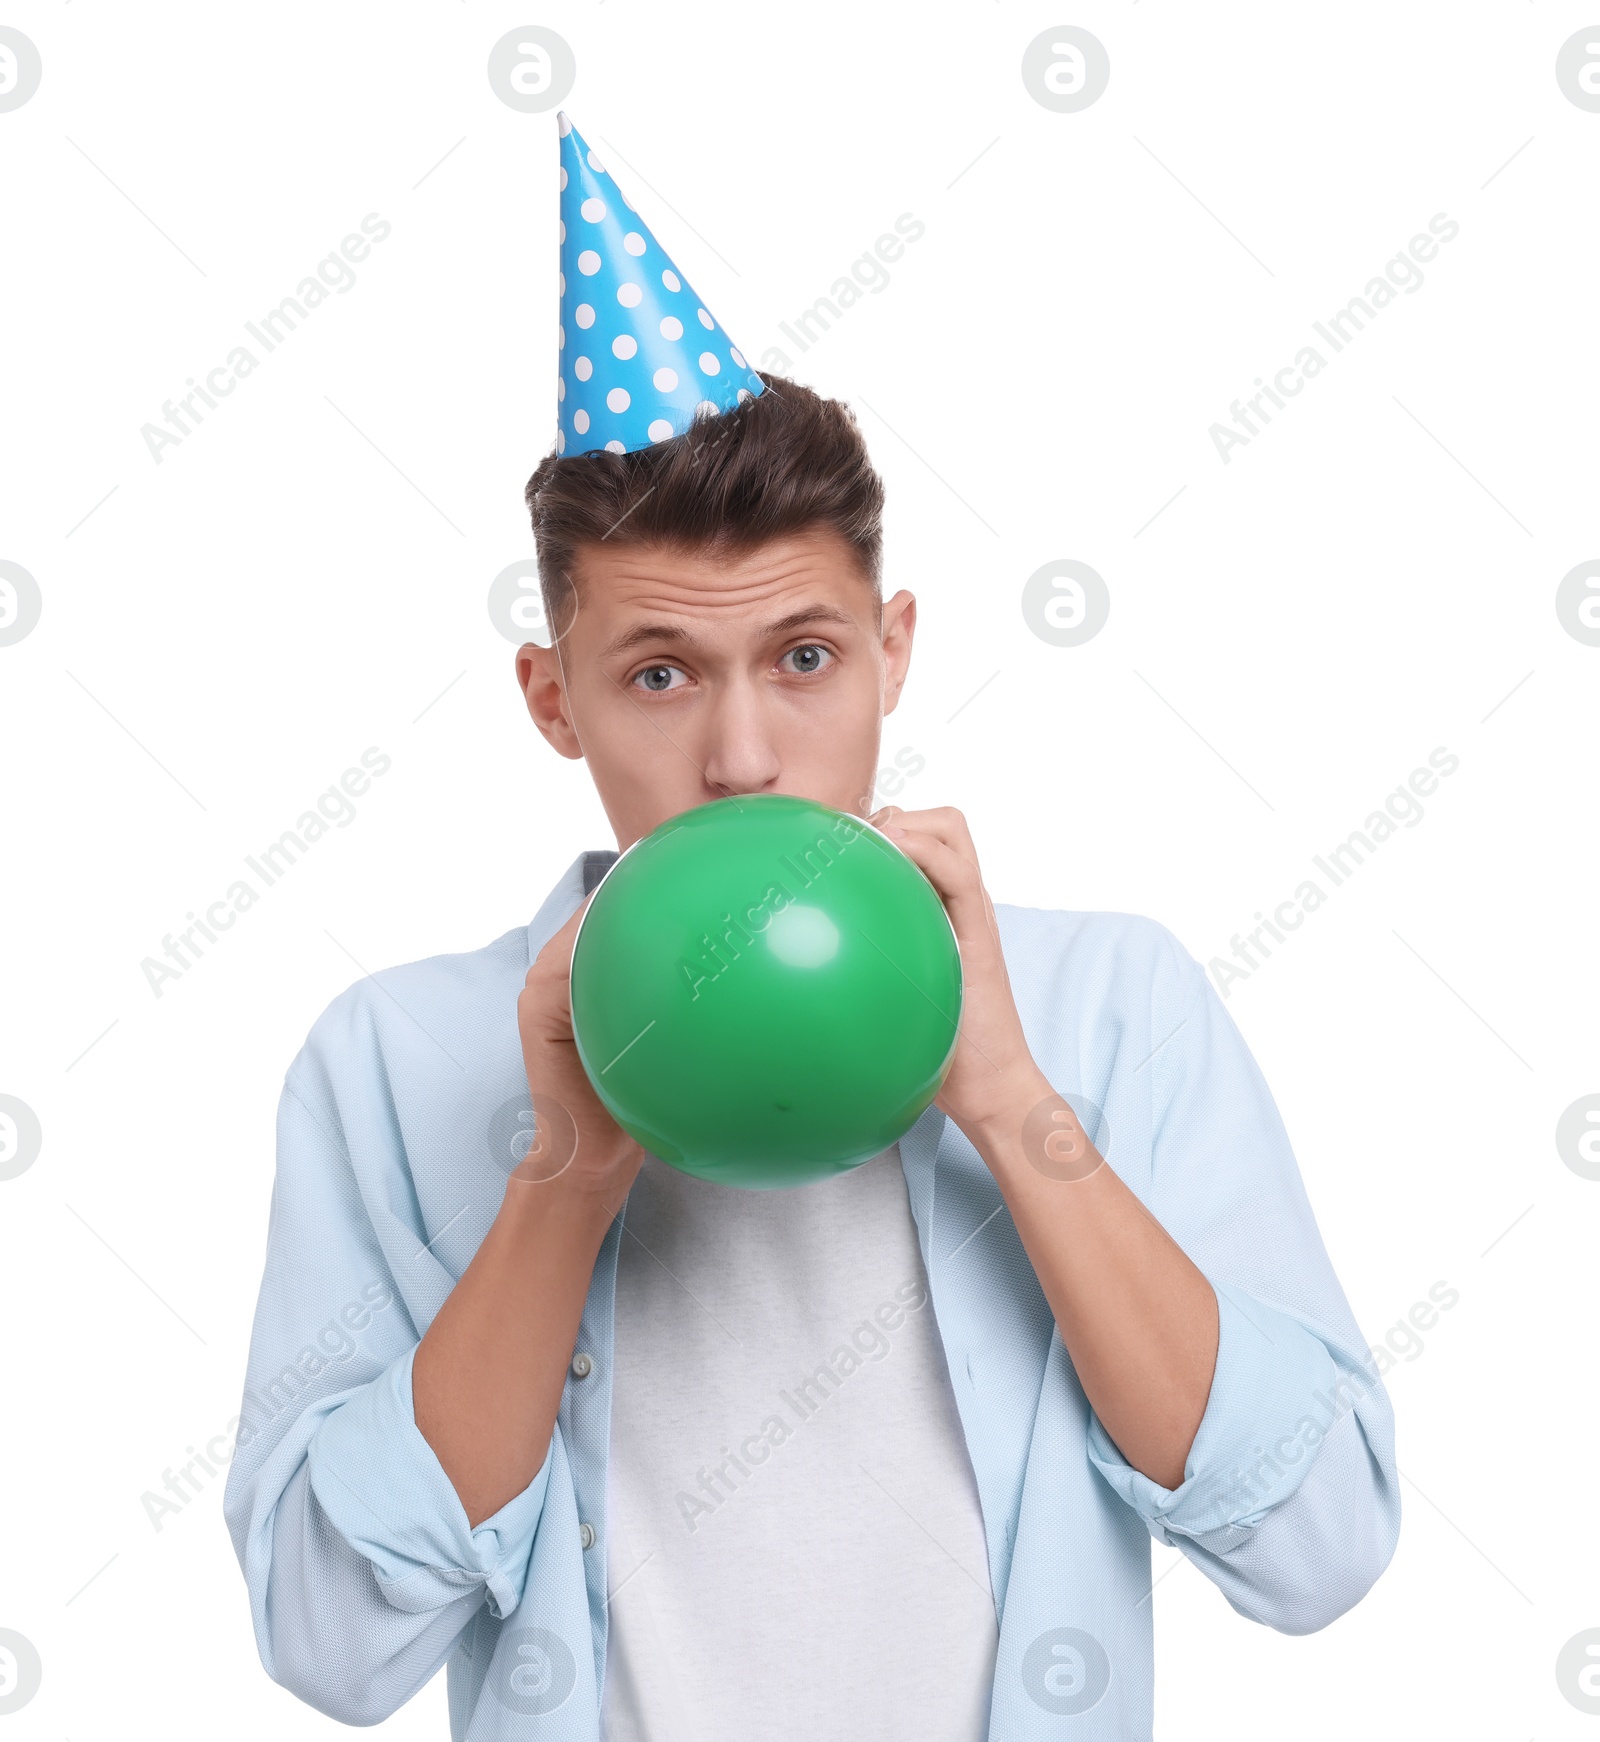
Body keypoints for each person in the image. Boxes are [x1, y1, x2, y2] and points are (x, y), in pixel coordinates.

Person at [223, 118, 1399, 1742]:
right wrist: (562, 1181)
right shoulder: (398, 1059)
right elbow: (329, 1643)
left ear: (893, 650)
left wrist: (1009, 1101)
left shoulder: (1113, 1005)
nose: (745, 757)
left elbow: (1319, 1543)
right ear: (551, 697)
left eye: (802, 658)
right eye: (657, 674)